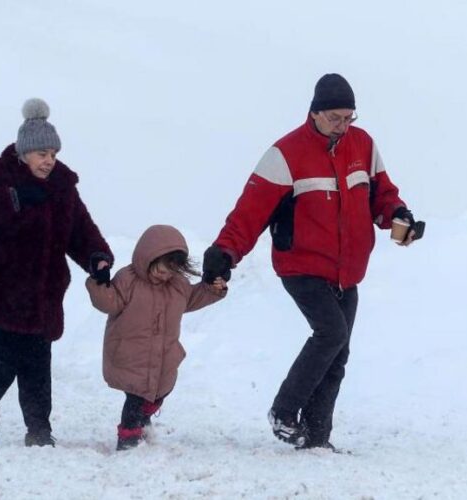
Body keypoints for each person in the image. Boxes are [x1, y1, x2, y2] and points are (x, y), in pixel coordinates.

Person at [202, 73, 422, 450]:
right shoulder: (285, 154)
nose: (343, 125)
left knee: (339, 352)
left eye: (349, 117)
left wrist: (398, 215)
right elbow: (249, 214)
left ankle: (317, 437)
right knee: (331, 334)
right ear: (315, 113)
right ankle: (284, 412)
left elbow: (382, 195)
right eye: (336, 117)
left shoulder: (363, 145)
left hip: (347, 270)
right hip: (301, 266)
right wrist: (225, 253)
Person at [0, 98, 114, 447]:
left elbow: (81, 230)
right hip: (2, 289)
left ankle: (39, 429)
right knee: (3, 362)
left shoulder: (62, 188)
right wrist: (8, 201)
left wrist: (97, 257)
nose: (49, 160)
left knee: (38, 365)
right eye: (41, 153)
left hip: (44, 292)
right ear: (24, 152)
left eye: (53, 154)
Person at [86, 225, 228, 450]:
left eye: (171, 271)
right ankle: (128, 441)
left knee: (160, 392)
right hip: (131, 355)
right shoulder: (128, 279)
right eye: (161, 271)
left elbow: (192, 299)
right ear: (147, 258)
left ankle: (143, 420)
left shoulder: (178, 285)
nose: (165, 276)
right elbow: (108, 302)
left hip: (163, 357)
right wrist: (98, 280)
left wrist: (212, 289)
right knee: (135, 399)